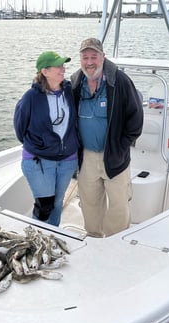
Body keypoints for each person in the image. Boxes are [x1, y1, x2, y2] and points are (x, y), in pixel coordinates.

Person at [71, 38, 143, 237]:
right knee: (90, 204)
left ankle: (116, 242)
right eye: (85, 57)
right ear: (80, 60)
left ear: (103, 57)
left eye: (94, 56)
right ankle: (94, 238)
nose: (89, 62)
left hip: (115, 155)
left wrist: (120, 147)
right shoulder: (76, 82)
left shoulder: (120, 81)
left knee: (119, 206)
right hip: (86, 157)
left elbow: (135, 120)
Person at [14, 51, 79, 226]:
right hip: (39, 160)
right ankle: (36, 241)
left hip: (67, 160)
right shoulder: (31, 97)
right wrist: (40, 145)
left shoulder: (69, 92)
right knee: (44, 207)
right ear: (45, 71)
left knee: (57, 203)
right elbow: (20, 128)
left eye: (63, 65)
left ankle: (52, 239)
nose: (63, 69)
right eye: (58, 66)